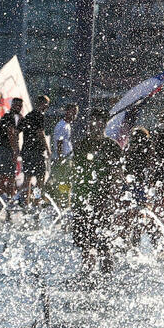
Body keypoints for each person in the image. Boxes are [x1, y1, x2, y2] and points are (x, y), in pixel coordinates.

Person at [70, 109, 123, 273]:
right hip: (82, 200)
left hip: (103, 199)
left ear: (105, 124)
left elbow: (118, 175)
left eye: (99, 121)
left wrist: (113, 199)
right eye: (93, 121)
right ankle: (86, 275)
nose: (96, 125)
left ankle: (107, 276)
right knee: (85, 244)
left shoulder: (112, 146)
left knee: (105, 243)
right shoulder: (82, 145)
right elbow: (75, 174)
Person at [19, 94, 51, 205]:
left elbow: (19, 130)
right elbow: (40, 133)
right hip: (37, 151)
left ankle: (24, 201)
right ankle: (36, 201)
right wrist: (47, 149)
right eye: (46, 104)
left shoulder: (28, 116)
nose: (47, 107)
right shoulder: (40, 116)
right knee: (40, 178)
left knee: (27, 177)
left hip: (26, 151)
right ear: (41, 104)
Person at [0, 98, 23, 197]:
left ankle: (10, 197)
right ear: (12, 105)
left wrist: (20, 121)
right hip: (6, 149)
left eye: (20, 106)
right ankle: (0, 197)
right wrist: (15, 150)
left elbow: (16, 132)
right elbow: (10, 134)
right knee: (4, 175)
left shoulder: (17, 118)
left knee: (11, 175)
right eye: (17, 105)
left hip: (9, 149)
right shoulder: (8, 117)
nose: (19, 108)